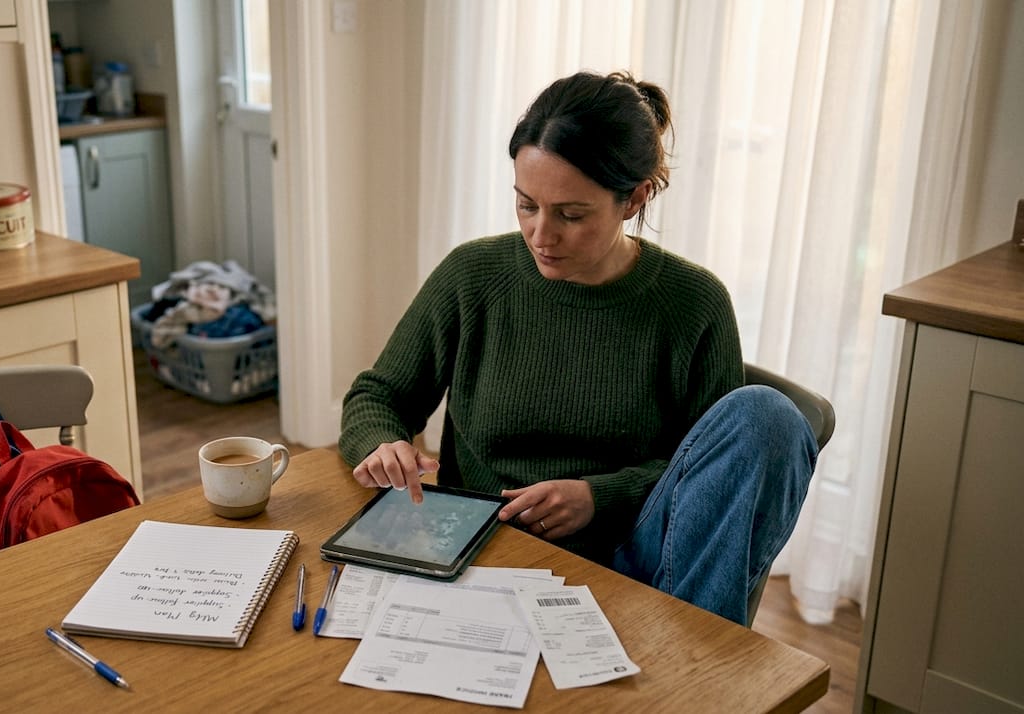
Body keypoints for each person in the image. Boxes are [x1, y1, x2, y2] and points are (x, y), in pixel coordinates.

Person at [338, 70, 817, 625]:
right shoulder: (473, 276)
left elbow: (703, 478)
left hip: (635, 560)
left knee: (767, 415)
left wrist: (598, 497)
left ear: (634, 198)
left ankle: (692, 659)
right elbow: (378, 395)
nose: (542, 234)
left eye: (571, 214)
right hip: (487, 550)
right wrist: (382, 444)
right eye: (526, 205)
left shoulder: (695, 304)